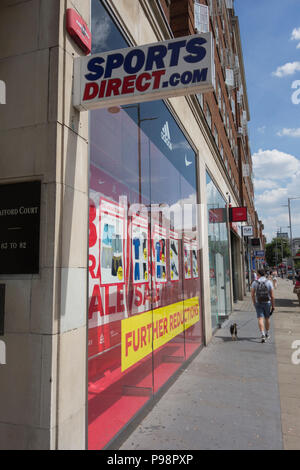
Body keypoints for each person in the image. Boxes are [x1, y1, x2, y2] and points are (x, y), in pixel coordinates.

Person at [251, 269, 275, 343]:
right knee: (267, 318)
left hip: (258, 302)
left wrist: (254, 303)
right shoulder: (269, 282)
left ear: (258, 274)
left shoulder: (255, 282)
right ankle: (267, 333)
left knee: (260, 319)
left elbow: (252, 295)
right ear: (264, 274)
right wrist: (273, 306)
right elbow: (272, 296)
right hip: (267, 303)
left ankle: (263, 334)